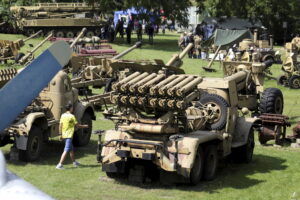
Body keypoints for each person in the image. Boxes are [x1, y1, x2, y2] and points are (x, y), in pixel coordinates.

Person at [56, 102, 89, 169]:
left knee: (71, 149)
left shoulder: (63, 115)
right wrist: (85, 126)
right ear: (70, 108)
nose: (73, 108)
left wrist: (60, 134)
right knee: (66, 150)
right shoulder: (72, 116)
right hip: (69, 136)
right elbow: (77, 126)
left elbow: (60, 126)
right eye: (72, 107)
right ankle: (60, 165)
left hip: (64, 135)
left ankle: (74, 162)